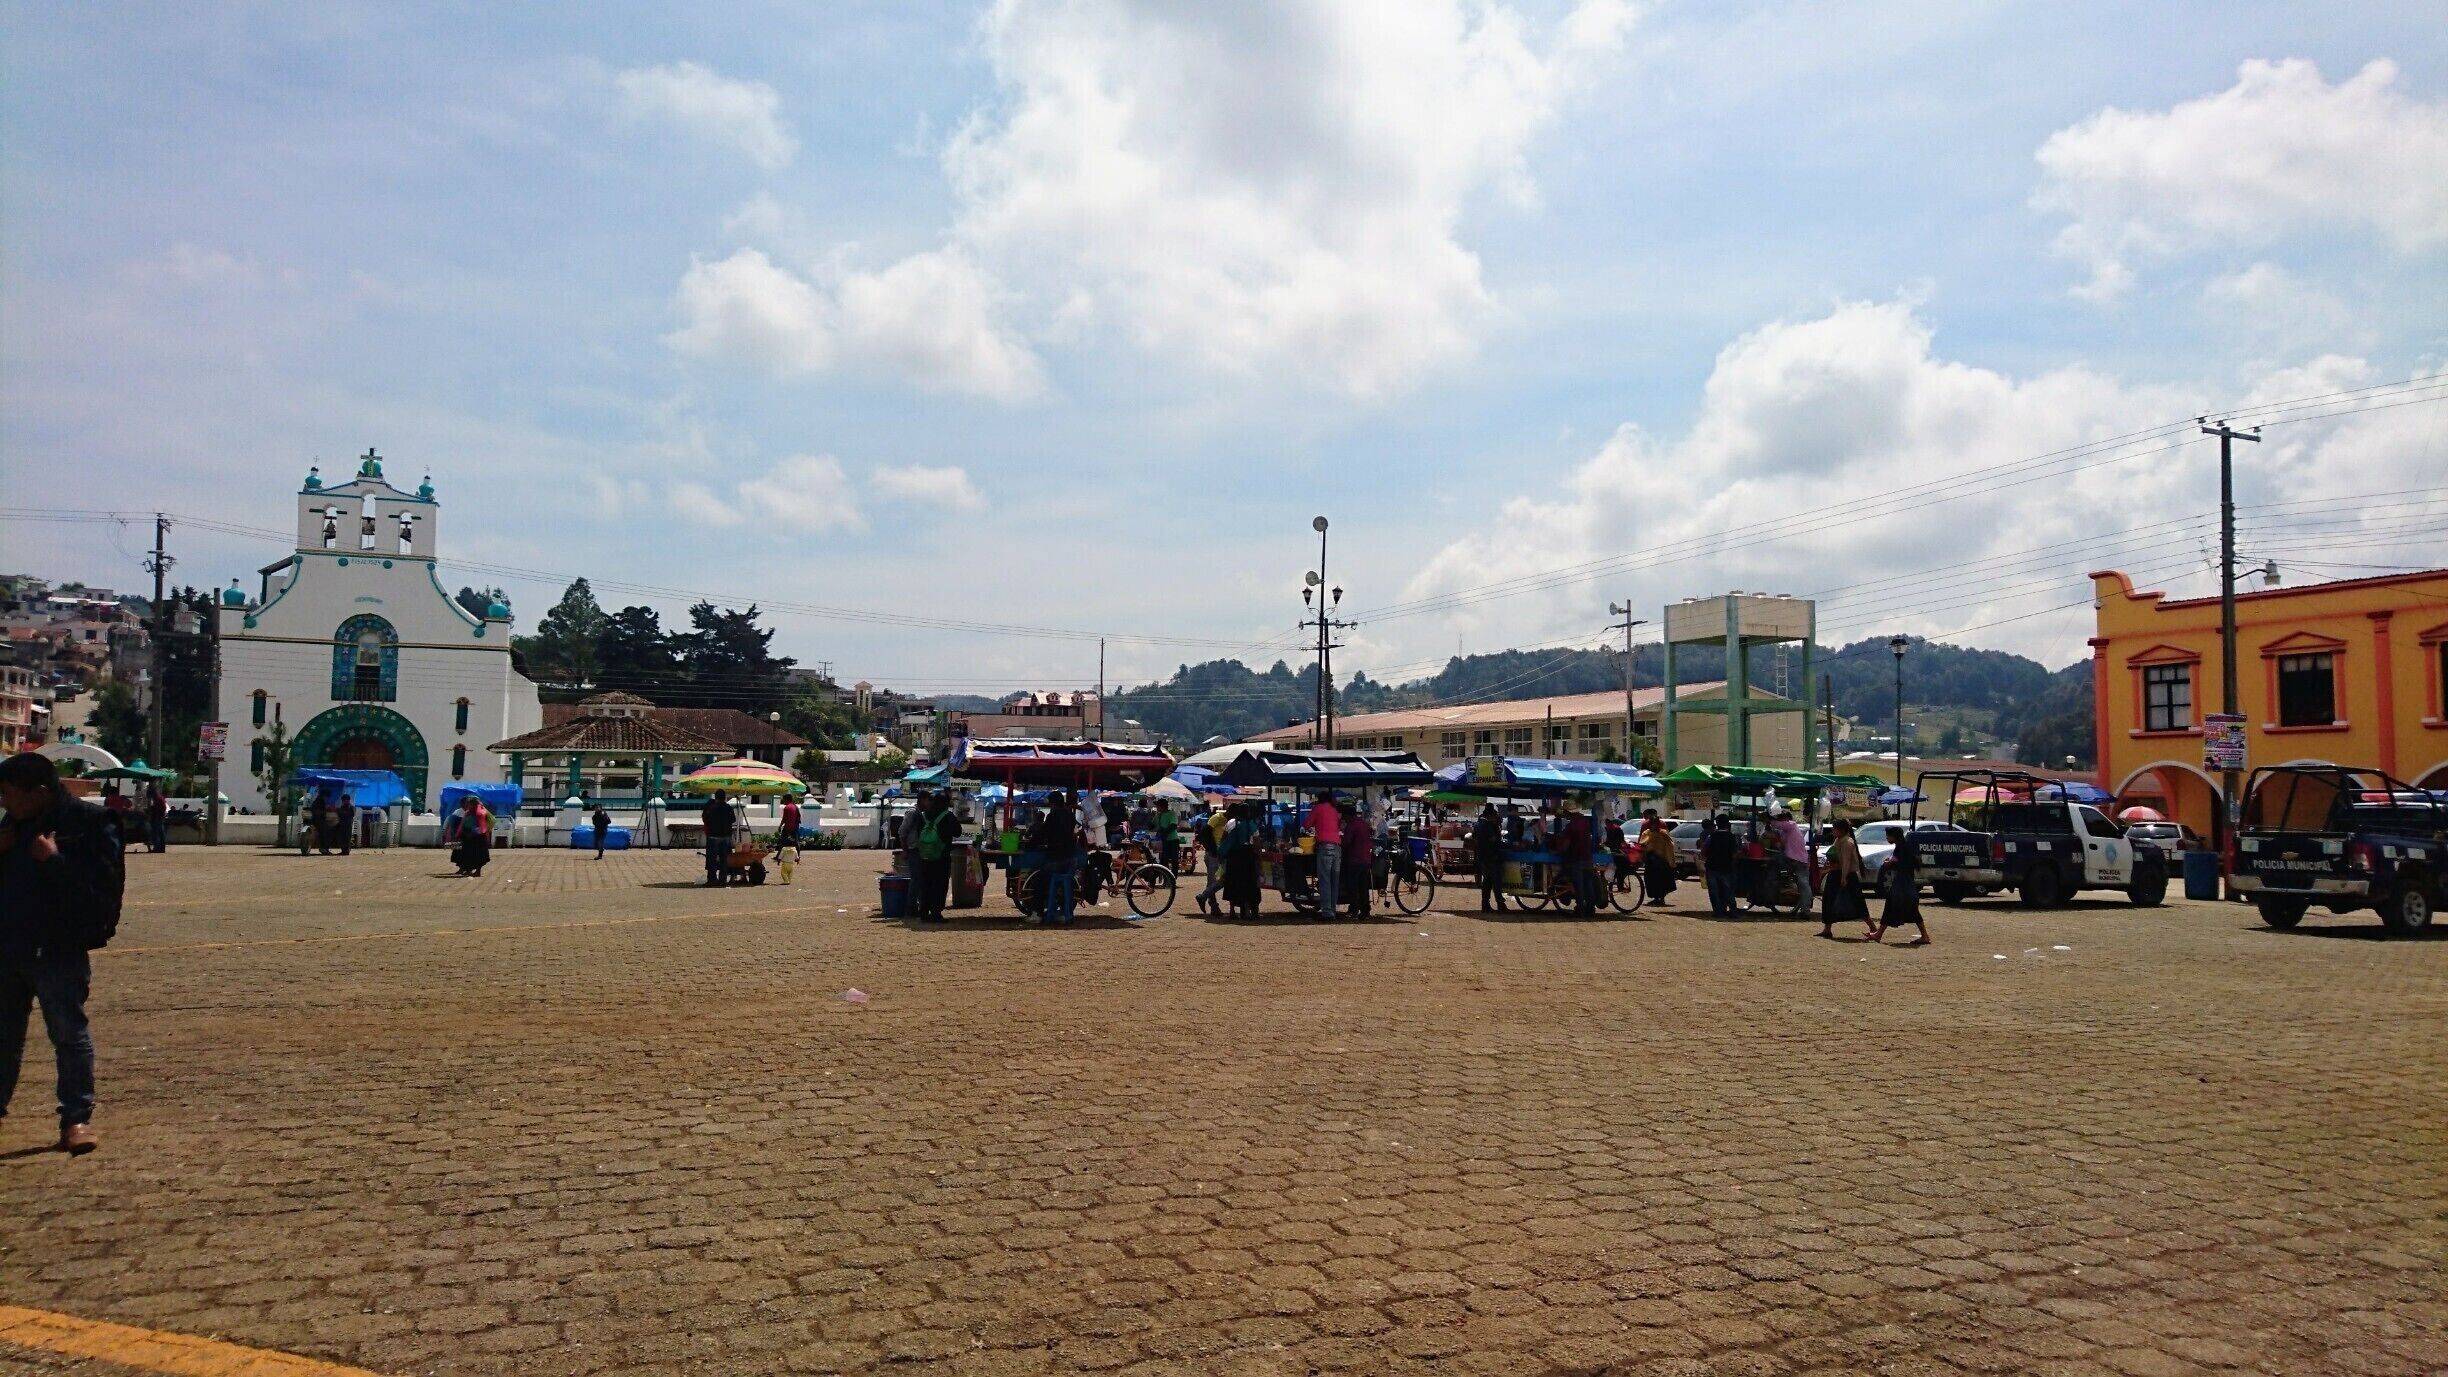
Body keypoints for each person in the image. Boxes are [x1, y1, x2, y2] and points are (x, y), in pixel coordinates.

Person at [0, 752, 121, 1156]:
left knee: (69, 1035)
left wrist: (54, 861)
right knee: (3, 1037)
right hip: (9, 946)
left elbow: (102, 892)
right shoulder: (11, 826)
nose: (3, 801)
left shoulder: (87, 824)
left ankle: (76, 1118)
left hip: (57, 949)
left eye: (8, 793)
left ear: (37, 793)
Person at [909, 792, 961, 922]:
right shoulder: (947, 816)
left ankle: (924, 912)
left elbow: (918, 832)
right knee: (939, 884)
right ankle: (936, 913)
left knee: (925, 884)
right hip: (941, 856)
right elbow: (958, 832)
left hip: (924, 855)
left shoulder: (923, 815)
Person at [1874, 829, 1930, 945]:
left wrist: (1888, 863)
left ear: (1894, 836)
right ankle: (1878, 934)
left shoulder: (1900, 849)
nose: (1887, 838)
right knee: (1896, 907)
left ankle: (1925, 936)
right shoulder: (1904, 847)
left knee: (1907, 908)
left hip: (1902, 883)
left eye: (1888, 836)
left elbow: (1896, 864)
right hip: (1906, 882)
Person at [1818, 817, 1871, 940]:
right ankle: (1827, 929)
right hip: (1834, 874)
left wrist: (1844, 877)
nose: (1832, 831)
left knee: (1857, 901)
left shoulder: (1847, 842)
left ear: (1841, 830)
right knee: (1828, 900)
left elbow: (1846, 862)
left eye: (1834, 829)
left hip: (1846, 875)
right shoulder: (1838, 840)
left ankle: (1872, 927)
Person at [1036, 791, 1079, 926]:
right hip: (1071, 858)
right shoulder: (1070, 815)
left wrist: (1032, 843)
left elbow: (1042, 834)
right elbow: (1076, 829)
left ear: (1053, 803)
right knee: (1066, 884)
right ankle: (1063, 912)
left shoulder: (1052, 816)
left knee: (1040, 881)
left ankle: (1036, 913)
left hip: (1056, 857)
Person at [1766, 808, 1812, 918]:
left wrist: (1769, 819)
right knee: (1803, 884)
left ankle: (1805, 910)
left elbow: (1776, 825)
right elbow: (1780, 841)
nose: (1781, 822)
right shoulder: (1786, 832)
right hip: (1794, 860)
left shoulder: (1792, 825)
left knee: (1803, 885)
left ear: (1786, 819)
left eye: (1781, 820)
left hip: (1798, 861)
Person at [1222, 802, 1261, 918]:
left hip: (1233, 856)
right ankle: (1247, 910)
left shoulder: (1230, 823)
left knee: (1232, 882)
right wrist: (1258, 857)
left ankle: (1232, 911)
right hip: (1247, 856)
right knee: (1248, 883)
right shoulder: (1252, 824)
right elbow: (1257, 844)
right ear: (1248, 812)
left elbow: (1223, 839)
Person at [1558, 802, 1598, 916]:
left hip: (1577, 858)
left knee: (1579, 885)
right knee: (1588, 884)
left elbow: (1565, 845)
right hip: (1588, 857)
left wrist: (1559, 849)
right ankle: (1591, 909)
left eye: (1565, 812)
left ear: (1568, 812)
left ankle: (1580, 908)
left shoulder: (1571, 826)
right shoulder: (1585, 822)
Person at [1308, 793, 1343, 919]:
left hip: (1325, 847)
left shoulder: (1318, 808)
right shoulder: (1334, 810)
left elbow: (1307, 824)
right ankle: (1332, 909)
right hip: (1337, 846)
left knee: (1325, 880)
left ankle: (1327, 912)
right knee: (1334, 880)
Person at [1701, 815, 1741, 916]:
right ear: (1728, 824)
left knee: (1714, 891)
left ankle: (1718, 911)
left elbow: (1703, 851)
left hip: (1712, 867)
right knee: (1728, 891)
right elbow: (1735, 853)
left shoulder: (1711, 836)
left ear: (1717, 824)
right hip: (1727, 867)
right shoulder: (1731, 837)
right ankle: (1732, 911)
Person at [1638, 810, 1679, 906]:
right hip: (1651, 861)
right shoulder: (1646, 833)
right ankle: (1656, 898)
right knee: (1651, 880)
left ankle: (1661, 898)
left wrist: (1671, 861)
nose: (1654, 826)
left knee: (1662, 880)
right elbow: (1642, 844)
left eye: (1656, 824)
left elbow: (1669, 846)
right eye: (1653, 824)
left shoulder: (1663, 834)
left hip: (1662, 861)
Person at [1196, 801, 1230, 914]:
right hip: (1213, 853)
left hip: (1221, 853)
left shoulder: (1229, 821)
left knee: (1216, 880)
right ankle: (1211, 903)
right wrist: (1212, 848)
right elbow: (1205, 832)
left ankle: (1210, 903)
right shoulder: (1216, 818)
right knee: (1216, 880)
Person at [1473, 803, 1507, 912]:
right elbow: (1494, 840)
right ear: (1491, 815)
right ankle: (1500, 904)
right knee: (1496, 881)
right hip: (1491, 856)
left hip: (1482, 856)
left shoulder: (1478, 824)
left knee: (1487, 881)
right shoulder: (1488, 826)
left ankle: (1485, 904)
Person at [448, 793, 492, 877]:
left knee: (473, 854)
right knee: (471, 854)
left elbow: (488, 823)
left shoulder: (477, 812)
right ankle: (469, 870)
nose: (467, 805)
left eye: (469, 803)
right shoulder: (481, 811)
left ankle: (472, 870)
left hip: (474, 837)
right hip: (472, 836)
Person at [1343, 801, 1374, 918]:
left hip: (1355, 860)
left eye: (1345, 816)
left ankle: (1354, 909)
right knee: (1363, 887)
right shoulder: (1362, 823)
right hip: (1366, 860)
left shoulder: (1351, 825)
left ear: (1348, 816)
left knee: (1352, 887)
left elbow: (1346, 842)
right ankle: (1365, 911)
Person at [701, 789, 737, 887]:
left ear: (715, 797)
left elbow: (705, 819)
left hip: (713, 836)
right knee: (723, 859)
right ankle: (723, 880)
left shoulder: (711, 808)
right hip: (725, 836)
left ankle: (712, 880)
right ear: (724, 797)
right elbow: (733, 819)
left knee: (712, 859)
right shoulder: (728, 808)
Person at [1154, 801, 1182, 874]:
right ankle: (1166, 877)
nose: (1157, 807)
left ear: (1162, 806)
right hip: (1163, 840)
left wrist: (1164, 831)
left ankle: (1173, 877)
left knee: (1174, 860)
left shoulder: (1171, 814)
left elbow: (1173, 826)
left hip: (1172, 840)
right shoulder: (1158, 815)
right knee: (1163, 860)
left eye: (1158, 806)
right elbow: (1152, 824)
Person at [144, 785, 168, 854]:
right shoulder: (159, 798)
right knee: (160, 833)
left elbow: (157, 809)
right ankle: (161, 848)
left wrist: (151, 811)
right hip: (160, 817)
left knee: (156, 834)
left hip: (157, 818)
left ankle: (157, 848)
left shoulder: (157, 799)